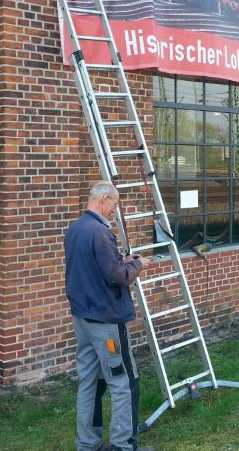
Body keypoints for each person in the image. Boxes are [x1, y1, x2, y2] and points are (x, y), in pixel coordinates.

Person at [65, 181, 153, 451]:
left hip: (83, 319)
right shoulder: (100, 232)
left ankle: (87, 444)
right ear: (104, 200)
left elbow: (95, 268)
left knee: (89, 382)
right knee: (122, 381)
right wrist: (138, 264)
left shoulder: (75, 229)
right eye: (114, 205)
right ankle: (123, 444)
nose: (114, 211)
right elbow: (117, 277)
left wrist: (124, 261)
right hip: (106, 322)